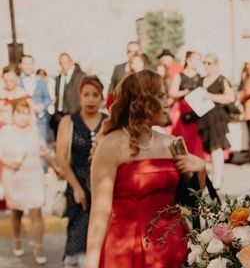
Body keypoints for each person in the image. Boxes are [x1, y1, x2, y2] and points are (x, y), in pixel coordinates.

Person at [86, 70, 206, 268]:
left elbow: (193, 202)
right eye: (160, 96)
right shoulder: (110, 145)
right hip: (126, 247)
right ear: (141, 101)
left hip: (172, 245)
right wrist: (91, 263)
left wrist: (200, 170)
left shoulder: (173, 143)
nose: (167, 102)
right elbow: (100, 212)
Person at [0, 99, 60, 265]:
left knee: (36, 211)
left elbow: (44, 151)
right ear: (13, 114)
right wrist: (10, 162)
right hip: (14, 176)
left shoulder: (34, 131)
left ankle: (39, 247)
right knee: (16, 212)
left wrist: (55, 167)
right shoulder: (6, 131)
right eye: (19, 113)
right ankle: (17, 239)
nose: (23, 117)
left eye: (26, 113)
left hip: (33, 174)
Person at [56, 76, 108, 268]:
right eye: (86, 95)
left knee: (101, 234)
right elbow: (61, 158)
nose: (91, 99)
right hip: (77, 183)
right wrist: (76, 187)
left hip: (102, 186)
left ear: (101, 97)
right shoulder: (68, 121)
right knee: (77, 233)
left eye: (95, 95)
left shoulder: (108, 121)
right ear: (79, 97)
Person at [198, 53, 235, 189]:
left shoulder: (221, 79)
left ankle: (217, 178)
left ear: (216, 64)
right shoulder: (201, 80)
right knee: (207, 147)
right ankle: (210, 176)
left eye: (209, 63)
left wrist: (210, 96)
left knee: (216, 147)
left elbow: (230, 97)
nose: (206, 66)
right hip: (203, 117)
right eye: (205, 63)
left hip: (217, 117)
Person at [168, 51, 206, 159]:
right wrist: (185, 92)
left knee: (196, 138)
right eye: (196, 59)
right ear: (188, 60)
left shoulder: (200, 77)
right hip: (182, 110)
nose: (198, 62)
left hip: (197, 110)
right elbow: (172, 92)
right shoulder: (180, 76)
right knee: (181, 135)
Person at [19, 55, 53, 146]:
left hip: (40, 121)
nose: (28, 66)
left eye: (30, 64)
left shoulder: (41, 80)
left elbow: (48, 98)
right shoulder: (17, 81)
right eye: (25, 64)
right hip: (23, 121)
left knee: (42, 149)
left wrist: (42, 106)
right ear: (21, 65)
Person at [52, 53, 86, 139]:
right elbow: (57, 95)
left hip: (76, 113)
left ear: (71, 62)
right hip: (61, 114)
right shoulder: (59, 78)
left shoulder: (80, 76)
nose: (64, 65)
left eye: (66, 62)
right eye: (61, 63)